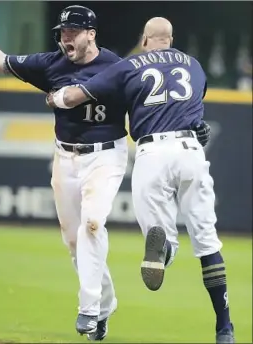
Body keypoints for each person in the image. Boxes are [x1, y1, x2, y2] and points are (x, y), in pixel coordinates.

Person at [0, 5, 128, 340]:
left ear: (91, 34)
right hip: (65, 157)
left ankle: (89, 308)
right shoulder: (52, 64)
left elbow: (147, 100)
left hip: (106, 156)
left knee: (93, 223)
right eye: (63, 32)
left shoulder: (115, 67)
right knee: (74, 242)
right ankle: (105, 304)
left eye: (72, 31)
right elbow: (1, 61)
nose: (65, 37)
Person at [47, 17, 235, 344]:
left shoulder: (130, 64)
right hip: (190, 149)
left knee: (157, 233)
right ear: (171, 39)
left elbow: (80, 94)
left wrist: (56, 99)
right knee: (207, 242)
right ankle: (224, 328)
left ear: (145, 39)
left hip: (152, 152)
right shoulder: (194, 65)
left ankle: (164, 249)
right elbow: (193, 108)